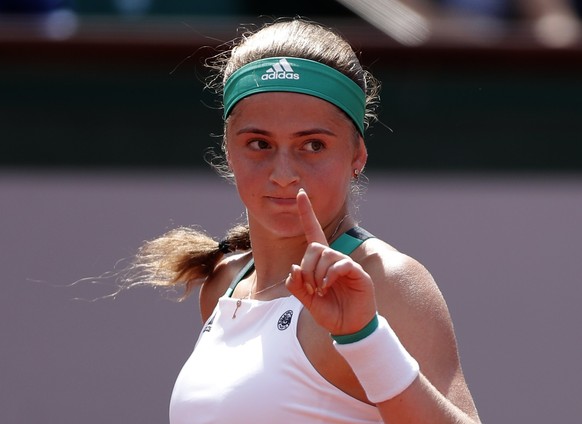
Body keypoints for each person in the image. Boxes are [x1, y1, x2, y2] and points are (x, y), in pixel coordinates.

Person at [133, 18, 481, 423]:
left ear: (357, 156)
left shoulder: (389, 281)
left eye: (313, 145)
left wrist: (364, 337)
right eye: (259, 144)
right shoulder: (223, 284)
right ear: (228, 150)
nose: (283, 172)